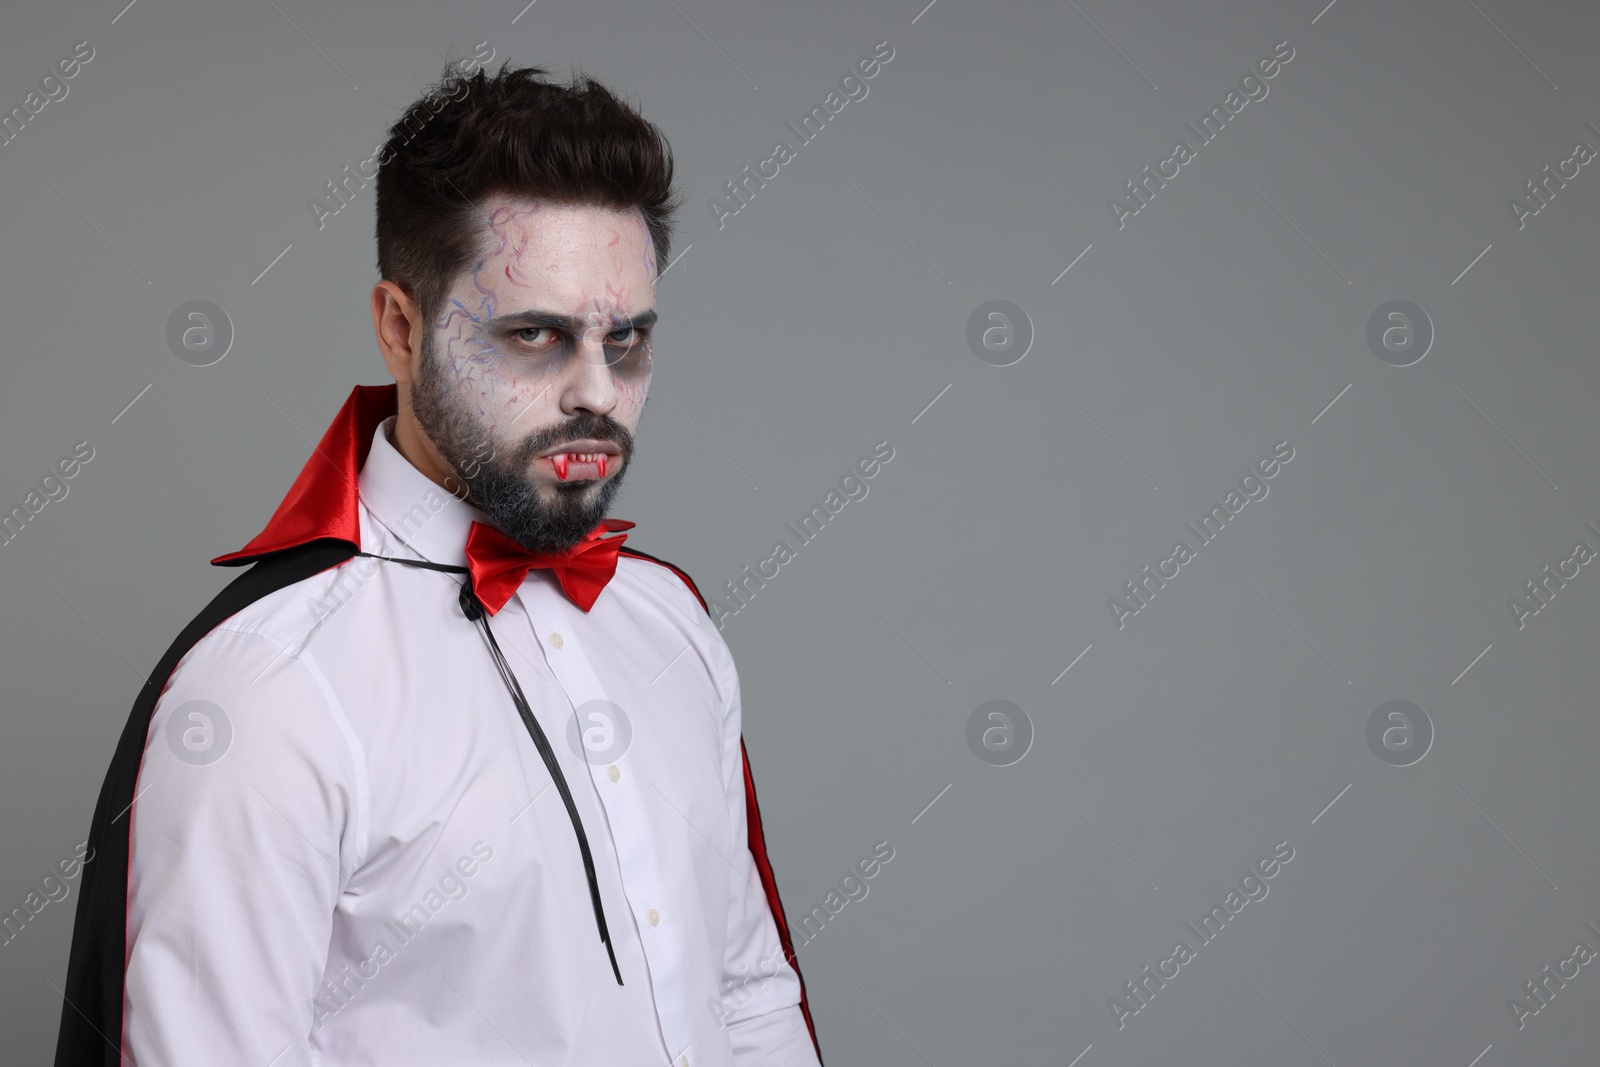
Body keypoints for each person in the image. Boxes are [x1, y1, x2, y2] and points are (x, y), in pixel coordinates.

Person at [53, 61, 821, 1067]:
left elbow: (749, 994)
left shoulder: (669, 619)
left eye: (626, 339)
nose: (598, 391)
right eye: (536, 334)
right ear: (399, 328)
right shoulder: (266, 686)